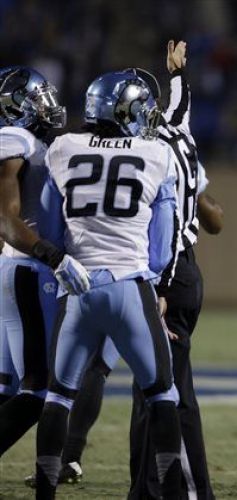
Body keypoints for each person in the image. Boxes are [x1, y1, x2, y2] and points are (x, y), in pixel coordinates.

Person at [27, 41, 221, 500]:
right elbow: (161, 241)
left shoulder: (64, 148)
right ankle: (171, 489)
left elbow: (51, 226)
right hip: (132, 286)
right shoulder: (155, 154)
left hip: (76, 286)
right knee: (163, 395)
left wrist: (64, 264)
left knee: (58, 396)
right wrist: (156, 284)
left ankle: (45, 493)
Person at [0, 66, 89, 457]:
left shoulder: (27, 140)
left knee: (5, 386)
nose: (47, 105)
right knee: (38, 391)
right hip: (29, 270)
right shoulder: (14, 137)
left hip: (14, 268)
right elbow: (5, 218)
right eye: (38, 98)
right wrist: (52, 255)